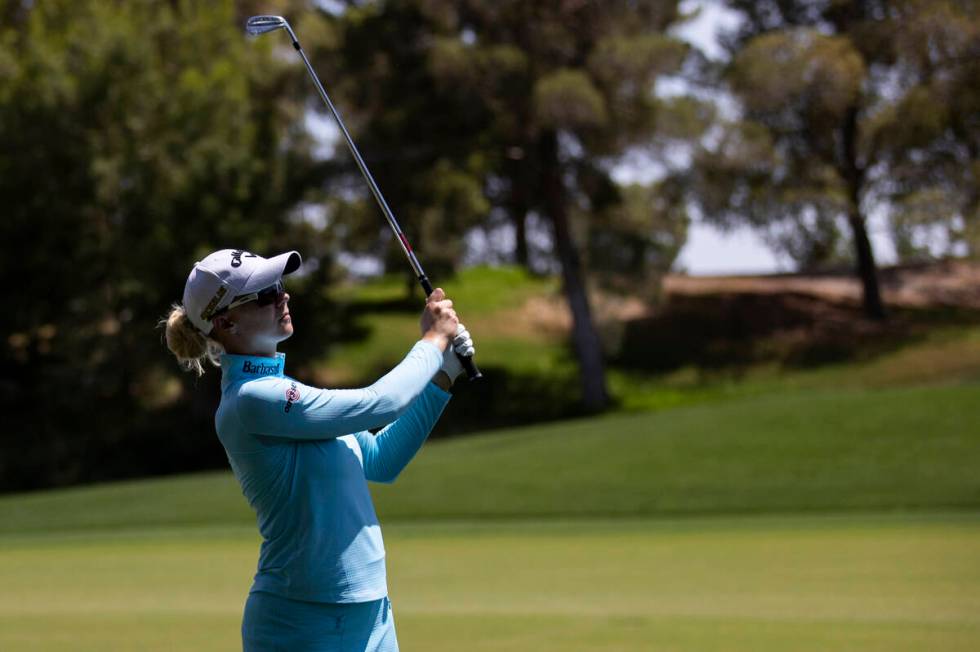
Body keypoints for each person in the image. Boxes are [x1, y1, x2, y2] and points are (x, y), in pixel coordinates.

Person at [162, 248, 474, 651]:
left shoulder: (285, 391)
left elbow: (381, 460)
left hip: (373, 611)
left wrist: (444, 373)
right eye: (264, 293)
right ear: (225, 322)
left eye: (279, 286)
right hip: (302, 622)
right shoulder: (253, 399)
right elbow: (379, 403)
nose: (282, 297)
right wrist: (433, 340)